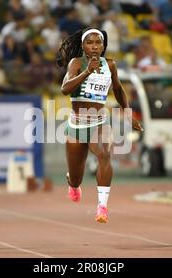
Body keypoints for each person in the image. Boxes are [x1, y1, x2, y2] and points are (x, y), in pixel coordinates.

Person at [56, 28, 143, 223]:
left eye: (98, 43)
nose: (94, 46)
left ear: (103, 46)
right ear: (83, 45)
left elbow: (118, 89)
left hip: (99, 122)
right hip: (77, 125)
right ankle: (73, 183)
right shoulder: (76, 63)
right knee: (76, 177)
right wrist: (87, 72)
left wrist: (128, 114)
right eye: (90, 42)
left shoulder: (109, 65)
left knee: (104, 155)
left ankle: (102, 207)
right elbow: (65, 89)